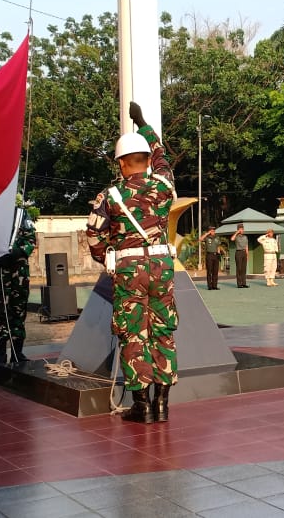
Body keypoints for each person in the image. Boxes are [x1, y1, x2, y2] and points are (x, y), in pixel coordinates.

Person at [85, 102, 178, 424]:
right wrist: (143, 123)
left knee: (133, 334)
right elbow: (162, 155)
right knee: (163, 330)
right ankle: (163, 404)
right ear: (147, 162)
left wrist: (109, 257)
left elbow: (94, 236)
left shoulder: (110, 196)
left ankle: (142, 406)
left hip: (129, 269)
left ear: (122, 164)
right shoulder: (164, 186)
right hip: (162, 266)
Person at [0, 205, 37, 364]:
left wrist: (16, 253)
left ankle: (17, 353)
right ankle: (0, 354)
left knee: (18, 311)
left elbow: (30, 238)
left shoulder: (21, 214)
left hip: (18, 271)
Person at [202, 226, 222, 290]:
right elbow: (200, 239)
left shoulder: (217, 237)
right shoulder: (207, 238)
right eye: (212, 231)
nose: (213, 232)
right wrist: (207, 234)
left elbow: (218, 246)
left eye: (214, 230)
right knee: (209, 271)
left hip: (216, 255)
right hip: (209, 255)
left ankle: (214, 286)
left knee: (215, 271)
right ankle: (210, 286)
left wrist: (219, 254)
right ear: (209, 231)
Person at [231, 223, 249, 288]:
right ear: (238, 229)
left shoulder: (245, 237)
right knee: (239, 268)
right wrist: (236, 232)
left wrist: (247, 254)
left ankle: (244, 283)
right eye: (241, 229)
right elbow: (232, 239)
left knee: (244, 269)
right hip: (238, 253)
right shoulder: (236, 236)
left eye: (242, 229)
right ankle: (239, 284)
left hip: (244, 253)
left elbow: (246, 246)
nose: (242, 230)